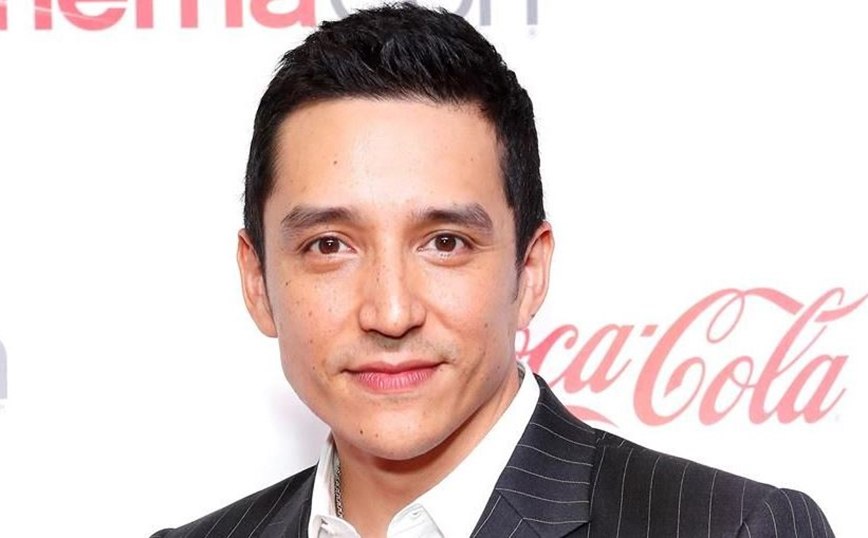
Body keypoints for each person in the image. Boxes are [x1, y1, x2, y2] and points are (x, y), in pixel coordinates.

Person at [151, 3, 835, 537]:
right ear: (257, 282)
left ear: (529, 272)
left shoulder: (729, 528)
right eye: (330, 246)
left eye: (445, 242)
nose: (391, 312)